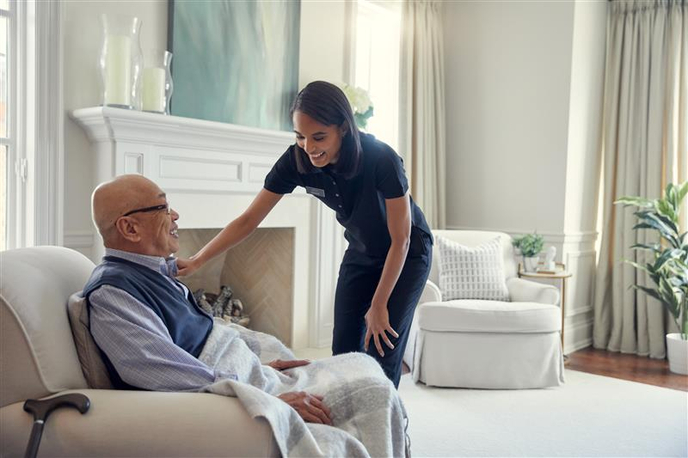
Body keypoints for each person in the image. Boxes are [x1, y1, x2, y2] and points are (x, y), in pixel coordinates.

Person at [177, 80, 433, 388]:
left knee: (381, 349)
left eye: (319, 137)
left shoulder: (381, 159)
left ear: (344, 128)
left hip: (407, 254)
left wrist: (379, 305)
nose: (309, 147)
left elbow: (401, 239)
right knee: (344, 353)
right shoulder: (296, 161)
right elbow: (248, 220)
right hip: (362, 252)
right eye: (300, 136)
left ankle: (387, 427)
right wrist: (197, 259)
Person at [85, 174, 331, 424]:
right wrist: (265, 397)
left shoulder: (150, 272)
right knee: (353, 395)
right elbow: (163, 370)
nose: (176, 215)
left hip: (247, 375)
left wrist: (259, 365)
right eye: (164, 208)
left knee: (355, 372)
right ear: (130, 228)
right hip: (239, 394)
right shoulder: (113, 294)